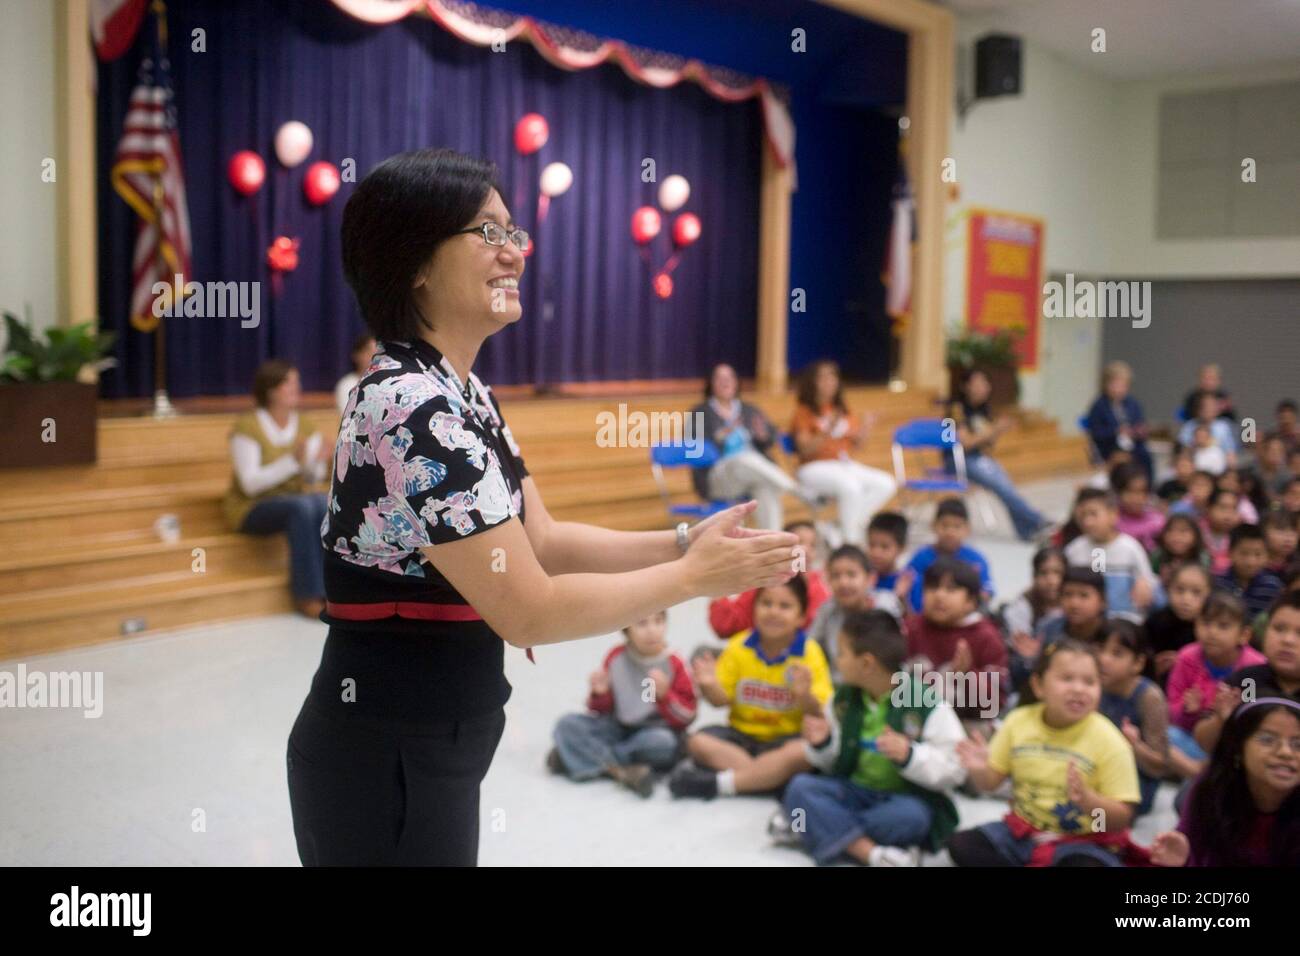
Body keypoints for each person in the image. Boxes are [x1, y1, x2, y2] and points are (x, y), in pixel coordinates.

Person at [286, 148, 802, 865]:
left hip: (432, 736)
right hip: (384, 748)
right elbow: (527, 609)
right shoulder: (407, 406)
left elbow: (545, 539)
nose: (515, 254)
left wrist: (685, 543)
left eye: (513, 232)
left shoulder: (461, 393)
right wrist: (692, 580)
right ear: (416, 263)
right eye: (487, 234)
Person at [777, 610, 965, 866]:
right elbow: (831, 763)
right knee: (800, 787)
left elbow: (957, 768)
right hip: (854, 791)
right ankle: (872, 853)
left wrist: (911, 756)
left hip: (903, 799)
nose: (837, 661)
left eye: (841, 653)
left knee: (913, 818)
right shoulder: (843, 699)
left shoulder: (927, 703)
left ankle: (816, 828)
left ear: (866, 663)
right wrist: (823, 743)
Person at [948, 640, 1141, 866]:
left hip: (1084, 840)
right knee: (962, 845)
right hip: (1023, 833)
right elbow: (990, 783)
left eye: (1089, 682)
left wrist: (1090, 802)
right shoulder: (1018, 722)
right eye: (1067, 678)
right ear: (1039, 686)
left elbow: (1121, 818)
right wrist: (980, 769)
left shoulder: (1109, 740)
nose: (1078, 689)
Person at [671, 576, 832, 799]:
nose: (773, 612)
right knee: (696, 742)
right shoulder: (738, 646)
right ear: (754, 609)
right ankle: (767, 779)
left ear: (801, 616)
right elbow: (721, 701)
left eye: (785, 606)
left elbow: (819, 712)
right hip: (741, 738)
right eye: (766, 603)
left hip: (785, 739)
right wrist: (709, 685)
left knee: (803, 753)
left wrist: (804, 695)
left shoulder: (810, 652)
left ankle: (720, 784)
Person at [222, 360, 329, 618]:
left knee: (324, 501)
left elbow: (312, 477)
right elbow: (250, 484)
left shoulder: (304, 424)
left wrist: (318, 462)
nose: (297, 388)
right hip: (251, 507)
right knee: (302, 506)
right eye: (288, 383)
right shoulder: (248, 426)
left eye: (296, 382)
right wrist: (292, 461)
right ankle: (308, 596)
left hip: (292, 500)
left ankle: (332, 590)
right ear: (270, 390)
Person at [549, 611, 695, 797]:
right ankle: (621, 771)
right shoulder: (616, 657)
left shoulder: (675, 662)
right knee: (567, 724)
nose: (652, 630)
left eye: (658, 622)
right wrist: (600, 694)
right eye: (642, 623)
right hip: (618, 727)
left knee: (664, 744)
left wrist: (666, 695)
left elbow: (688, 716)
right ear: (626, 629)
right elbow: (602, 710)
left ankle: (578, 758)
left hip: (653, 732)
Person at [1148, 698, 1300, 867]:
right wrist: (1183, 861)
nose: (1286, 752)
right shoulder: (1211, 790)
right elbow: (1188, 853)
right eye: (1267, 739)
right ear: (1238, 748)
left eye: (1297, 744)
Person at [789, 360, 897, 547]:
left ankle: (837, 527)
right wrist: (827, 429)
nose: (829, 381)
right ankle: (849, 542)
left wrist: (866, 428)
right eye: (823, 377)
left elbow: (857, 445)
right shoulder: (803, 412)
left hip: (843, 464)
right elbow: (804, 449)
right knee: (851, 487)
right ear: (812, 382)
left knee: (886, 483)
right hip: (813, 467)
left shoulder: (842, 410)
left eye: (832, 376)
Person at [689, 362, 798, 531]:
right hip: (719, 478)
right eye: (720, 378)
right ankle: (796, 490)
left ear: (736, 382)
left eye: (730, 377)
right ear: (711, 383)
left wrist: (763, 436)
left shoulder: (749, 410)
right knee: (743, 458)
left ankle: (771, 543)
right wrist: (721, 436)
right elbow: (695, 451)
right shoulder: (699, 413)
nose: (726, 382)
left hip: (750, 475)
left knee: (765, 489)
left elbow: (769, 437)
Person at [902, 558, 1008, 728]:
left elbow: (994, 705)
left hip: (967, 725)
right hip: (915, 722)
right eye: (932, 587)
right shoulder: (910, 629)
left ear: (971, 601)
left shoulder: (986, 636)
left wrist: (967, 674)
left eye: (951, 589)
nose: (939, 595)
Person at [946, 368, 1050, 542]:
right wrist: (995, 429)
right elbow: (964, 444)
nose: (983, 387)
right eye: (978, 383)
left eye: (985, 383)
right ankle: (1038, 521)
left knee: (1006, 487)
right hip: (957, 460)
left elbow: (986, 443)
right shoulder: (956, 410)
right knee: (1001, 487)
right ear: (965, 386)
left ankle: (1026, 531)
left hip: (979, 458)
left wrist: (998, 431)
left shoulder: (984, 409)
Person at [1193, 591, 1300, 755]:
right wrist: (1220, 720)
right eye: (1279, 629)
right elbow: (1203, 743)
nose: (1287, 640)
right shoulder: (1247, 681)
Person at [707, 520, 830, 640]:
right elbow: (726, 626)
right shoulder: (763, 581)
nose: (806, 550)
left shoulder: (821, 589)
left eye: (812, 545)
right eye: (800, 542)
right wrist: (718, 581)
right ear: (782, 546)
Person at [1096, 620, 1169, 816]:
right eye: (1100, 649)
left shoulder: (1148, 697)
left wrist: (1134, 746)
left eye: (1117, 653)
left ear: (1138, 663)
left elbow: (1159, 766)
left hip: (1135, 780)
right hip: (1098, 769)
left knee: (1098, 810)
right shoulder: (1090, 685)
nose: (1104, 659)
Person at [808, 545, 904, 680]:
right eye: (836, 576)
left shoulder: (884, 604)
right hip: (838, 689)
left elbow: (894, 652)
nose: (843, 583)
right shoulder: (828, 610)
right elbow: (811, 646)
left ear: (870, 579)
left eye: (851, 574)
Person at [1063, 487, 1157, 618]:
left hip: (1127, 619)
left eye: (1093, 514)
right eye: (1083, 515)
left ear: (1113, 515)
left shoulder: (1130, 548)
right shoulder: (1073, 550)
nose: (1087, 522)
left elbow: (1148, 583)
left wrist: (1145, 585)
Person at [904, 497, 993, 613]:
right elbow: (905, 586)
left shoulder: (976, 559)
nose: (950, 532)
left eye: (957, 526)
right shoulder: (921, 557)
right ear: (933, 526)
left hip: (963, 618)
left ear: (967, 529)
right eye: (944, 525)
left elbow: (987, 592)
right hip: (924, 616)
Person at [1083, 361, 1153, 483]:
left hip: (1133, 445)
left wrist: (1138, 431)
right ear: (1105, 384)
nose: (1119, 389)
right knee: (1123, 459)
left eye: (1123, 385)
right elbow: (1096, 433)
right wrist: (1116, 431)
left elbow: (1140, 423)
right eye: (1115, 385)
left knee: (1145, 455)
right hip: (1109, 446)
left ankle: (1147, 488)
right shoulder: (1099, 406)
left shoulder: (1132, 404)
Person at [1144, 562, 1211, 686]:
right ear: (1168, 590)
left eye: (1196, 592)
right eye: (1180, 590)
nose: (1186, 599)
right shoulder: (1155, 622)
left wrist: (1185, 662)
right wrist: (1153, 667)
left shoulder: (1211, 627)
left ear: (1209, 594)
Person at [1000, 546, 1066, 658]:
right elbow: (1023, 648)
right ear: (1034, 576)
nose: (1051, 581)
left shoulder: (1072, 604)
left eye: (1057, 573)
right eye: (1044, 573)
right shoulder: (1021, 606)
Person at [1214, 524, 1283, 619]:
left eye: (1258, 554)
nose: (1251, 562)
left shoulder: (1272, 587)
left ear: (1267, 556)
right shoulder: (1218, 583)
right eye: (1244, 553)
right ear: (1230, 553)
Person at [1177, 392, 1238, 472]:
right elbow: (1183, 451)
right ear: (1198, 409)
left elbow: (1230, 452)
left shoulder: (1223, 427)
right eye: (1204, 406)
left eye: (1212, 406)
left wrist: (1231, 471)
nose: (1208, 409)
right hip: (1194, 466)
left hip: (1219, 467)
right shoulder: (1189, 426)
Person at [1111, 461, 1164, 552]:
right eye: (1130, 491)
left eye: (1142, 491)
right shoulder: (1112, 523)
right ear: (1118, 492)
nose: (1137, 498)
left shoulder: (1158, 521)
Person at [334, 333, 376, 414]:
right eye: (369, 352)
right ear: (357, 355)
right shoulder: (347, 385)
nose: (374, 358)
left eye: (378, 353)